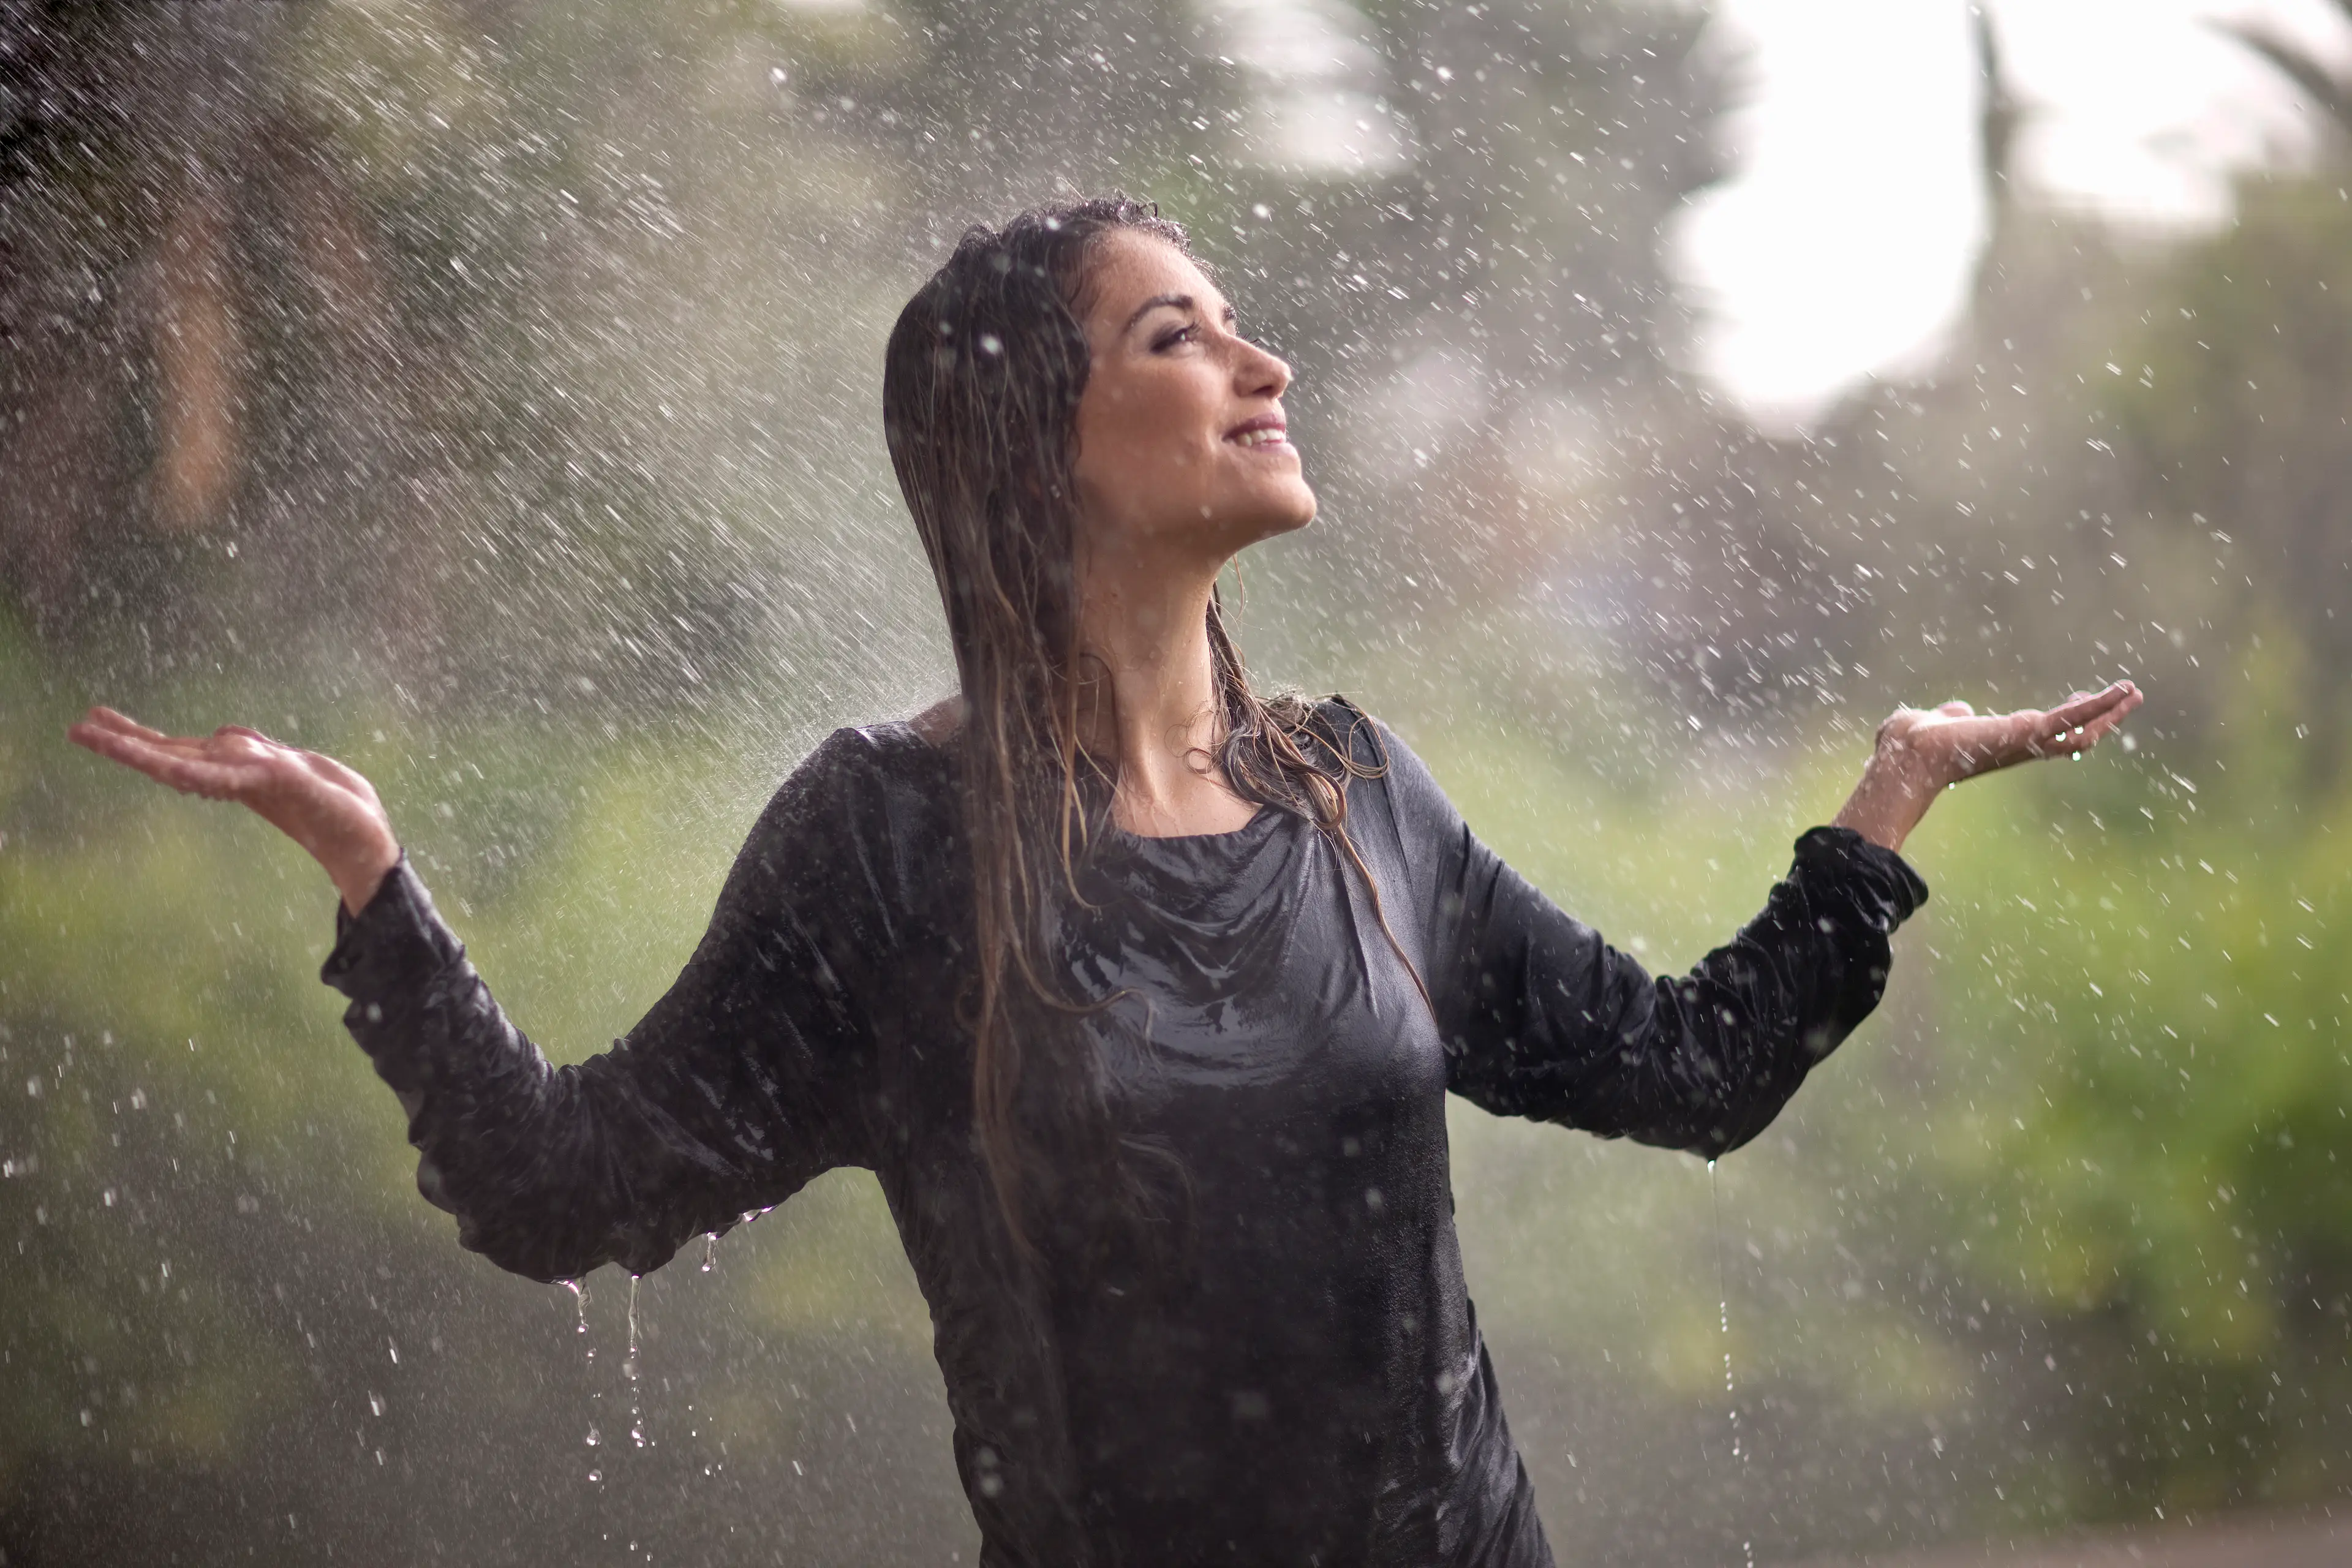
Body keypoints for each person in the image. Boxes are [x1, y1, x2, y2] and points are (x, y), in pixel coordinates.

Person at [69, 196, 2143, 1567]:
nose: (1266, 370)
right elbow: (563, 1188)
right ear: (1031, 433)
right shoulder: (886, 850)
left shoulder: (1358, 799)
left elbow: (1690, 1072)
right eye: (1182, 337)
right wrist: (378, 890)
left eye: (1240, 329)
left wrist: (1878, 815)